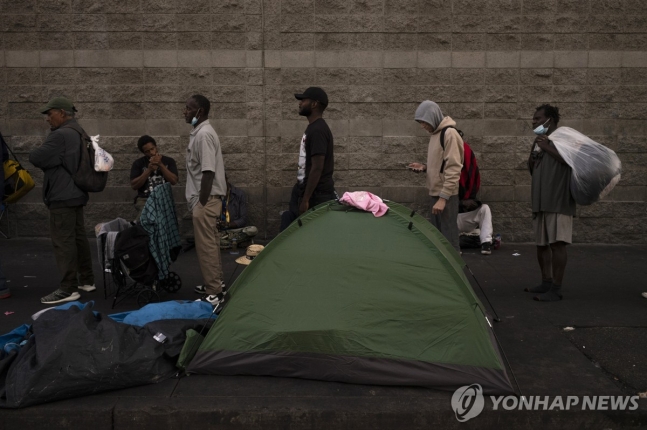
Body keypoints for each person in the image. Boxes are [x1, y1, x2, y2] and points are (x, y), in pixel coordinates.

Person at [29, 96, 95, 304]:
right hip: (76, 193)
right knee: (78, 237)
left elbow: (37, 157)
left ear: (62, 113)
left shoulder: (60, 135)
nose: (48, 119)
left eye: (50, 114)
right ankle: (87, 280)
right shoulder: (79, 131)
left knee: (63, 242)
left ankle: (68, 288)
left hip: (62, 195)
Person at [526, 104, 575, 302]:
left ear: (550, 120)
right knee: (541, 245)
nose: (534, 122)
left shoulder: (564, 138)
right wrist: (535, 152)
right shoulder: (538, 141)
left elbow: (570, 160)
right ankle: (545, 282)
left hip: (558, 200)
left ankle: (556, 288)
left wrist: (547, 146)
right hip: (540, 200)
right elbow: (533, 167)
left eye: (538, 119)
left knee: (557, 244)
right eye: (534, 119)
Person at [184, 94, 227, 307]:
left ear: (199, 112)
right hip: (208, 199)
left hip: (206, 200)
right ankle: (216, 284)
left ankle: (215, 293)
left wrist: (201, 203)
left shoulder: (203, 135)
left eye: (189, 108)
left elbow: (208, 172)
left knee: (206, 246)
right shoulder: (201, 133)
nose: (185, 111)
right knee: (211, 243)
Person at [408, 101, 464, 252]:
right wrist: (425, 167)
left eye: (424, 122)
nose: (422, 126)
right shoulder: (435, 135)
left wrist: (443, 198)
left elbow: (454, 168)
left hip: (446, 196)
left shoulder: (449, 133)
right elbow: (442, 165)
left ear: (432, 117)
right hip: (436, 194)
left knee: (449, 241)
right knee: (439, 241)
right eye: (420, 122)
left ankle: (457, 274)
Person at [280, 87, 336, 231]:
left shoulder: (318, 130)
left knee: (312, 234)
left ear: (314, 104)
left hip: (316, 196)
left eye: (303, 100)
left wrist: (306, 199)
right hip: (305, 192)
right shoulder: (313, 128)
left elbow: (317, 167)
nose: (300, 103)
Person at [456, 141, 494, 255]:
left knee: (485, 208)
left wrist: (472, 202)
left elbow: (472, 189)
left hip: (467, 216)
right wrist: (461, 203)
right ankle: (455, 245)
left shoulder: (471, 170)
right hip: (452, 218)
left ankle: (486, 243)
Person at [130, 135, 178, 219]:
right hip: (145, 199)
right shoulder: (138, 163)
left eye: (152, 149)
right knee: (147, 220)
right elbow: (134, 185)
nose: (151, 153)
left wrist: (160, 164)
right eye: (147, 151)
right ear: (144, 153)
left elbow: (174, 181)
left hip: (164, 199)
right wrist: (149, 170)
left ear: (156, 147)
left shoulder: (169, 161)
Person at [217, 177, 258, 249]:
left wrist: (228, 225)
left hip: (235, 231)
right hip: (220, 232)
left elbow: (243, 219)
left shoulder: (239, 194)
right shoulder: (214, 195)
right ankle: (237, 243)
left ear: (226, 180)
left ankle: (228, 244)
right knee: (206, 237)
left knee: (253, 230)